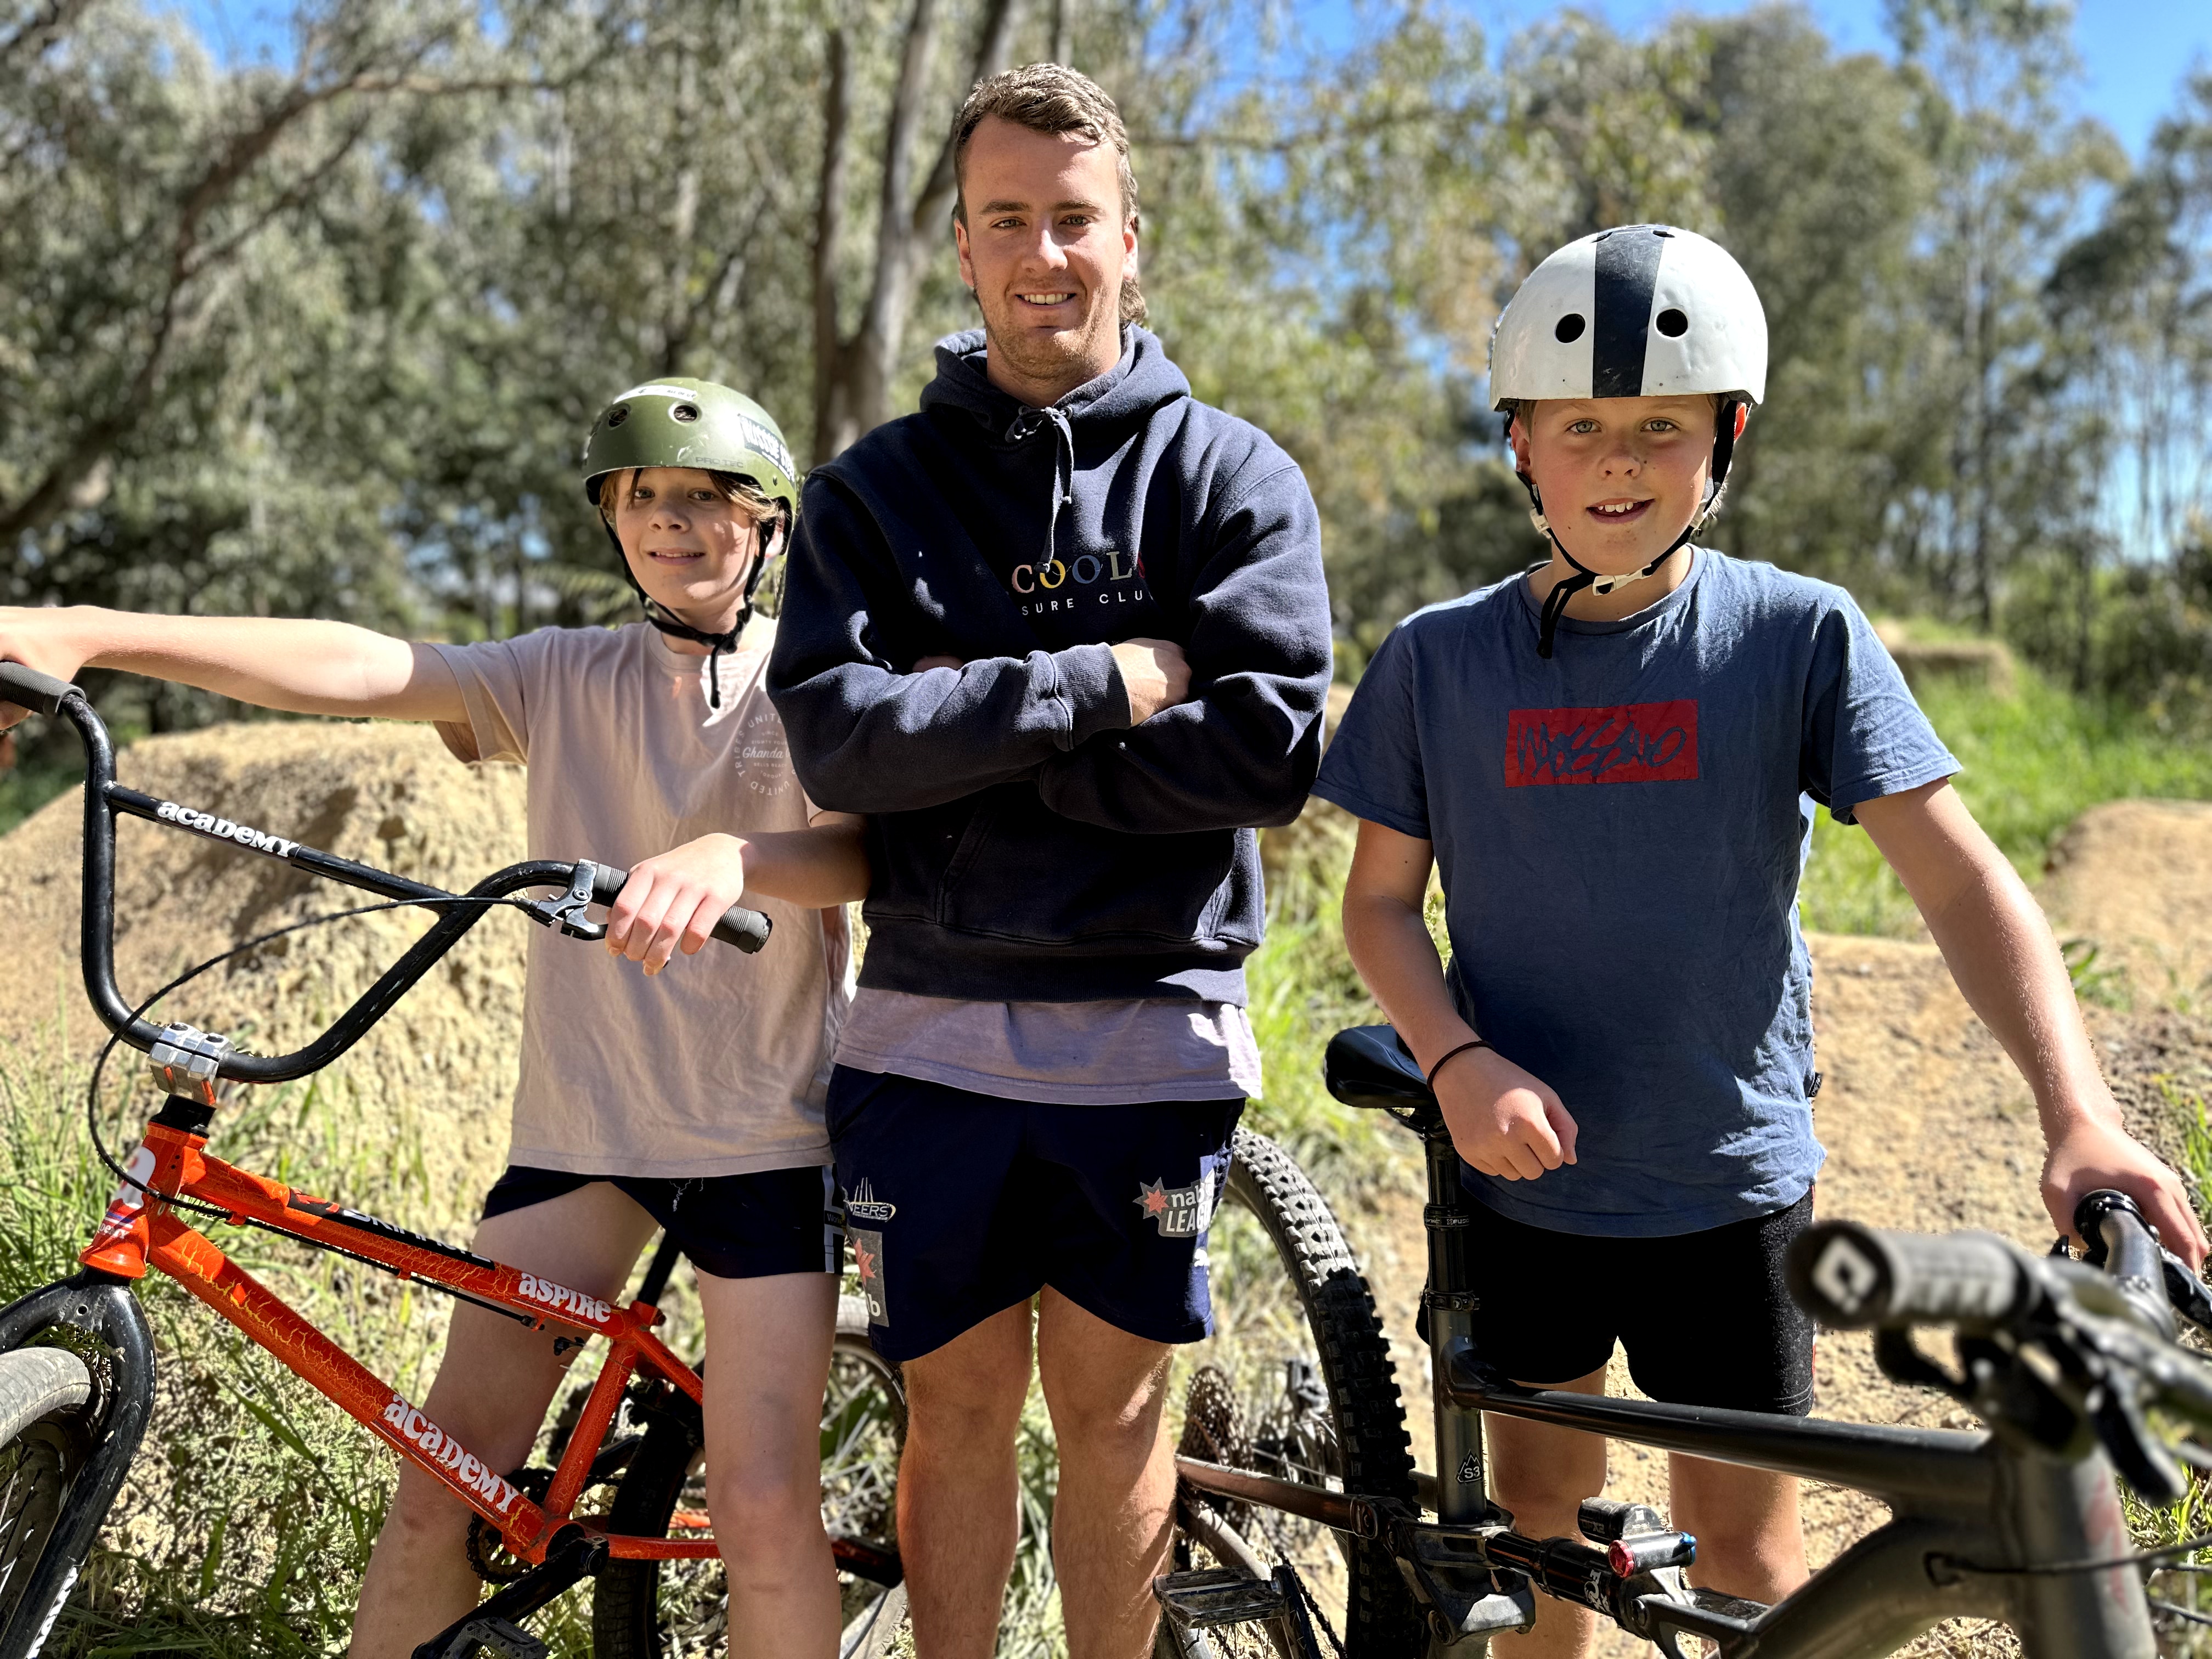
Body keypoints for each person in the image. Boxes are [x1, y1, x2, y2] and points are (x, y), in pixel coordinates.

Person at [1313, 223, 2209, 1658]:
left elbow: (1962, 883)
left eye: (1659, 428)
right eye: (1582, 427)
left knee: (1746, 1551)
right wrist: (1459, 1056)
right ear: (1521, 447)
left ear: (1725, 439)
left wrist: (2081, 1114)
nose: (1619, 462)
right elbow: (1376, 903)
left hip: (1728, 1194)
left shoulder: (1801, 638)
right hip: (1521, 1191)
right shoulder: (1439, 658)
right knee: (1541, 1531)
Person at [0, 379, 869, 1659]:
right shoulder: (565, 675)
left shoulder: (818, 682)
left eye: (704, 499)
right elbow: (364, 667)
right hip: (585, 1131)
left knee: (757, 1507)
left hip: (767, 1140)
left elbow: (880, 852)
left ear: (771, 524)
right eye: (641, 500)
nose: (671, 524)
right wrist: (89, 631)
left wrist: (739, 857)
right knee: (437, 1501)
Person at [766, 63, 1332, 1659]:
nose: (1044, 254)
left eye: (1074, 220)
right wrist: (1101, 685)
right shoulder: (874, 495)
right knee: (951, 1414)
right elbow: (843, 750)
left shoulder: (1231, 478)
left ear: (1131, 241)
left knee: (1116, 1412)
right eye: (1007, 219)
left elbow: (1268, 753)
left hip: (1150, 1021)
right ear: (961, 245)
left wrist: (980, 767)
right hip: (926, 1026)